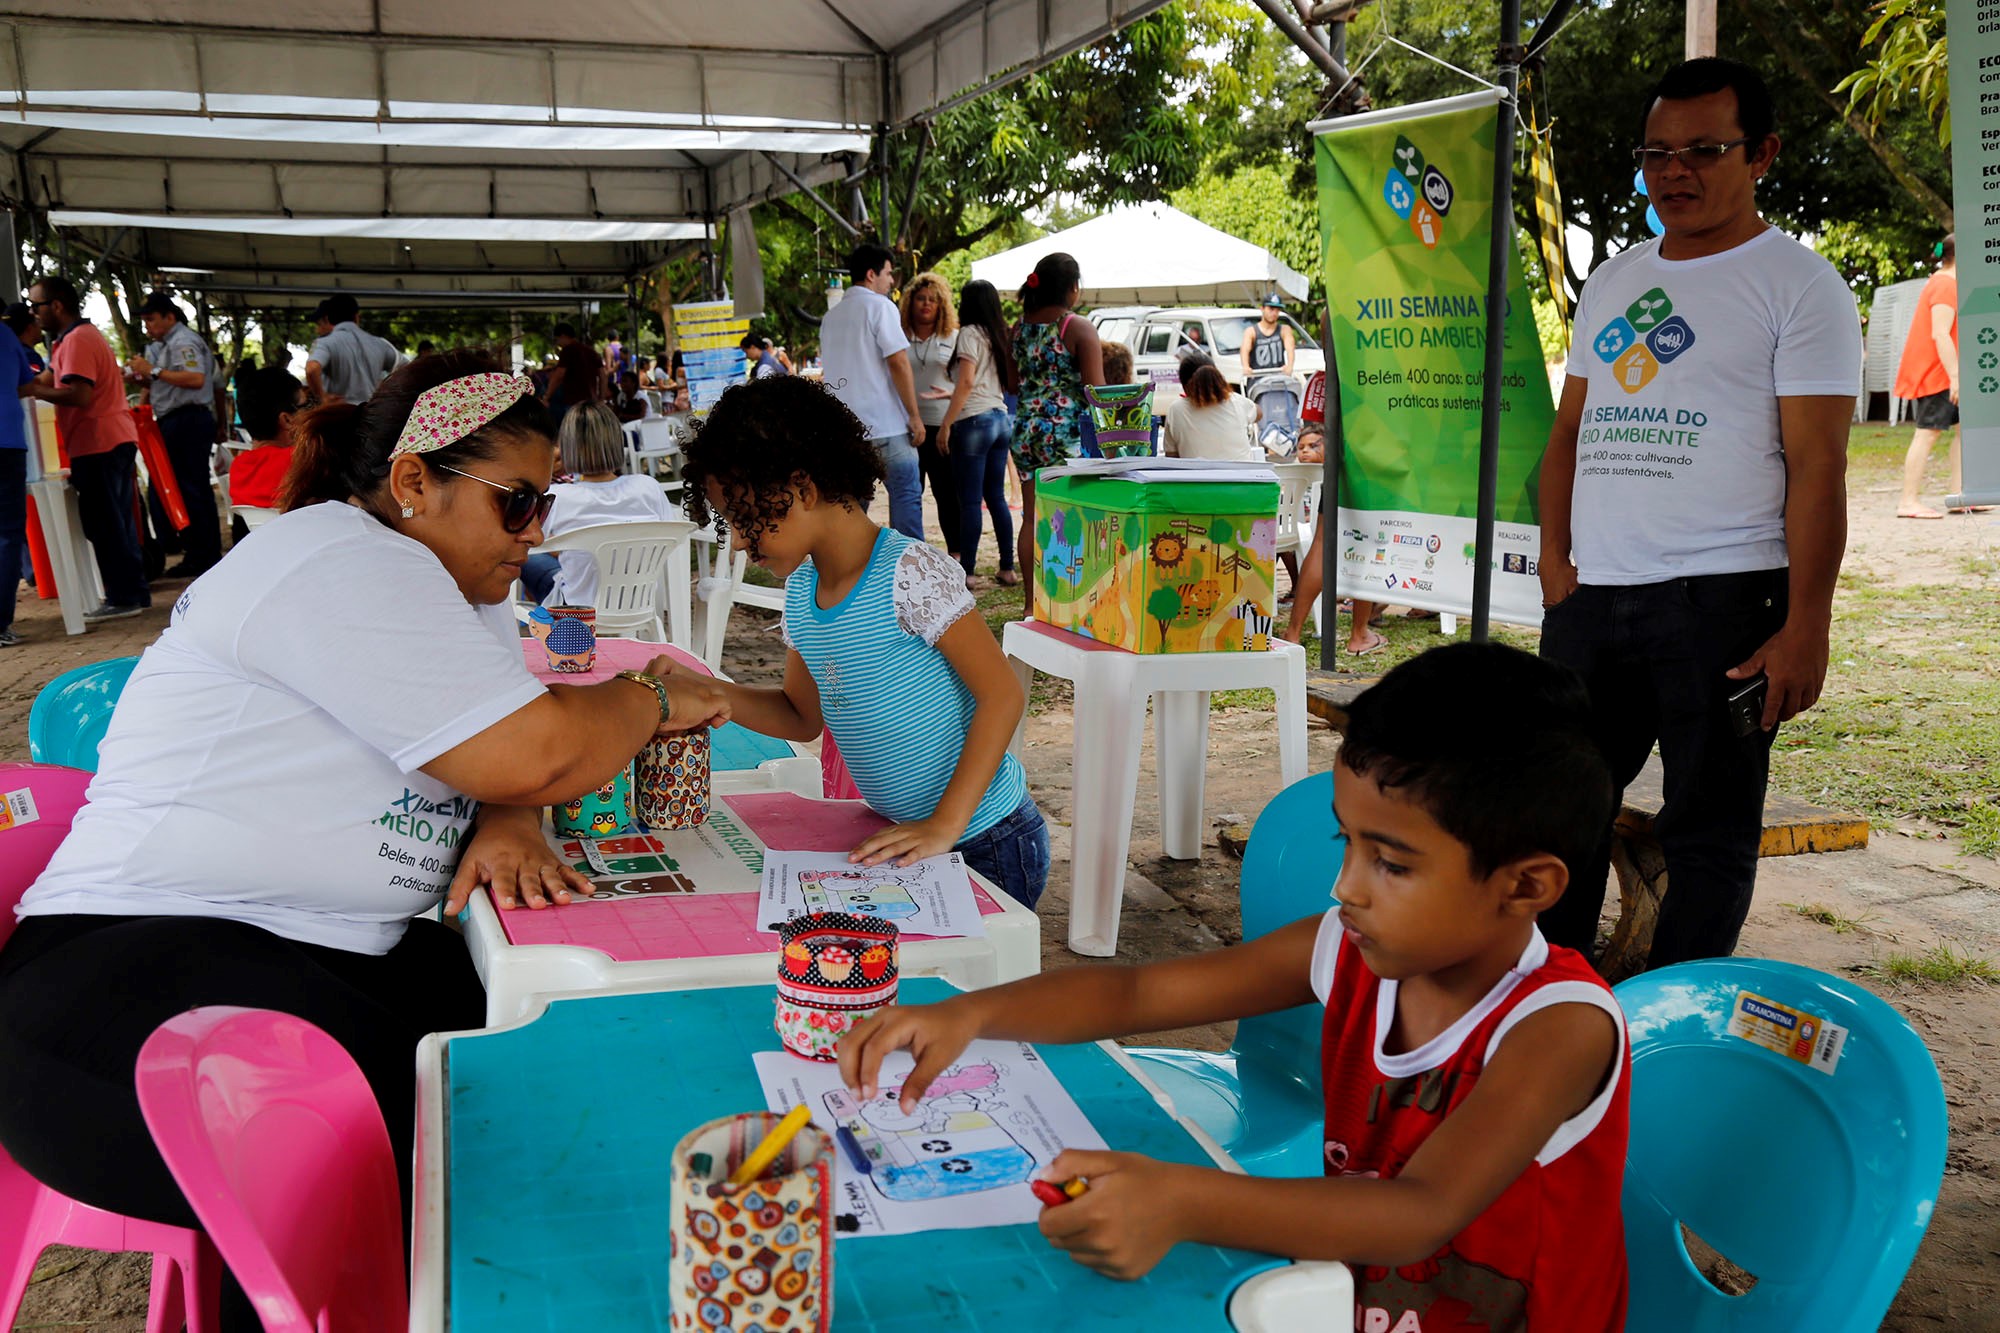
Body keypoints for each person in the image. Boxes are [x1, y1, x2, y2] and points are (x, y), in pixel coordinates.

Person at [0, 352, 730, 1333]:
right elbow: (540, 747)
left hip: (291, 953)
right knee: (456, 1151)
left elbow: (500, 745)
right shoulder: (343, 559)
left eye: (544, 506)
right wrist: (645, 694)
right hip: (125, 986)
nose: (536, 534)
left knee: (544, 1056)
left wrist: (509, 809)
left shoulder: (442, 582)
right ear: (414, 481)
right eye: (516, 503)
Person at [841, 643, 1628, 1324]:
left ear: (1526, 886)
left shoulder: (1559, 1024)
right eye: (1345, 843)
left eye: (1391, 863)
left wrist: (1183, 1201)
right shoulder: (1347, 948)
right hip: (1345, 1300)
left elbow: (1420, 1212)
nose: (1346, 886)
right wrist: (971, 1012)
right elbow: (1139, 995)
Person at [1537, 57, 1859, 967]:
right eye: (1656, 153)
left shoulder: (1800, 286)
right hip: (1591, 598)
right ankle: (1545, 1003)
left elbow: (1820, 468)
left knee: (1708, 832)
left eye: (1703, 150)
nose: (1674, 171)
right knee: (1557, 812)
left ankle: (1675, 1023)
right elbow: (1567, 435)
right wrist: (1558, 562)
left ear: (1762, 154)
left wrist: (1808, 625)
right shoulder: (1612, 280)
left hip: (1722, 601)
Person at [684, 375, 1049, 910]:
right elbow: (799, 715)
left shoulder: (909, 572)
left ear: (803, 489)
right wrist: (715, 694)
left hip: (987, 836)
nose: (738, 540)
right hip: (911, 837)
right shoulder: (803, 590)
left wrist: (945, 825)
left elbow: (1002, 695)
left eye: (745, 517)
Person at [22, 275, 150, 620]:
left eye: (37, 306)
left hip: (100, 442)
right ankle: (131, 592)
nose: (34, 313)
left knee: (107, 523)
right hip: (102, 441)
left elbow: (79, 394)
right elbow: (46, 379)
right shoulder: (68, 341)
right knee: (113, 521)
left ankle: (125, 597)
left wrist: (32, 392)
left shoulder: (78, 339)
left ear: (57, 305)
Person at [1012, 252, 1105, 615]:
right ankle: (1068, 602)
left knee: (1031, 516)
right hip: (1065, 433)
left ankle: (1031, 604)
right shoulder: (1076, 328)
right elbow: (1096, 390)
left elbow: (1011, 382)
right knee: (1071, 516)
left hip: (1025, 430)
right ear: (1072, 288)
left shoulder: (1018, 329)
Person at [522, 401, 681, 606]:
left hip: (578, 607)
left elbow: (526, 540)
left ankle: (542, 620)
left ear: (566, 447)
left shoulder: (556, 497)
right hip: (638, 602)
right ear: (616, 441)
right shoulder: (648, 487)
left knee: (527, 558)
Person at [820, 243, 926, 541]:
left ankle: (850, 573)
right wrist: (914, 416)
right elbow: (898, 362)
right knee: (906, 501)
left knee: (850, 511)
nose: (891, 281)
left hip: (846, 431)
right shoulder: (881, 307)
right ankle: (911, 573)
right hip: (887, 425)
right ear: (871, 274)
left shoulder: (831, 317)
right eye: (889, 274)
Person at [129, 292, 222, 578]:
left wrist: (154, 371)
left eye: (151, 319)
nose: (147, 326)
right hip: (180, 419)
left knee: (192, 489)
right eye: (144, 321)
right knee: (186, 488)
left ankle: (203, 556)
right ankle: (199, 553)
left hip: (187, 419)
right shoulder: (168, 344)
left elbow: (196, 380)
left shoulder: (184, 341)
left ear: (170, 316)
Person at [936, 279, 1020, 588]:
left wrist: (946, 424)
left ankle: (968, 572)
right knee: (996, 497)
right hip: (1000, 419)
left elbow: (968, 382)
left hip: (973, 423)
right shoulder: (999, 336)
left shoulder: (969, 334)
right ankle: (1007, 568)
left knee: (969, 501)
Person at [1892, 235, 1982, 518]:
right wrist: (1955, 377)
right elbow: (1940, 333)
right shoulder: (1945, 285)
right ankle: (1908, 501)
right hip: (1938, 373)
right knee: (1927, 433)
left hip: (1947, 372)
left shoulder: (1945, 282)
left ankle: (1960, 496)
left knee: (1962, 431)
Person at [902, 271, 964, 566]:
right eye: (921, 299)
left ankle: (957, 551)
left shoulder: (953, 337)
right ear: (910, 302)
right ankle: (910, 554)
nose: (926, 304)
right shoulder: (899, 337)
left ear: (942, 306)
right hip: (907, 427)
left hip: (942, 425)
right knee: (910, 494)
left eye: (933, 300)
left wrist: (950, 419)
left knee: (946, 493)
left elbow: (966, 383)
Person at [0, 293, 41, 647]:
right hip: (8, 441)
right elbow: (26, 385)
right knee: (7, 534)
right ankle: (1, 623)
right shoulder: (7, 338)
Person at [225, 365, 305, 529]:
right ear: (287, 420)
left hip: (258, 549)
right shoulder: (302, 461)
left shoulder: (238, 467)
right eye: (306, 406)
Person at [305, 295, 401, 405]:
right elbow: (406, 368)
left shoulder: (325, 343)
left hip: (339, 414)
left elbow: (312, 368)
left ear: (329, 318)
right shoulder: (380, 343)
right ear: (357, 317)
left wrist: (322, 397)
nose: (317, 329)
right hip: (369, 414)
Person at [1161, 356, 1259, 462]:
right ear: (1216, 378)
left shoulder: (1176, 409)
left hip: (1198, 478)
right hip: (1243, 476)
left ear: (1184, 386)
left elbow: (1172, 457)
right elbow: (1259, 413)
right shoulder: (1237, 401)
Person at [1240, 294, 1300, 448]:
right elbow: (1245, 350)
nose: (1274, 313)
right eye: (1271, 308)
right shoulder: (1252, 331)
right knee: (1261, 416)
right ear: (1262, 309)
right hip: (1258, 382)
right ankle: (1263, 443)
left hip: (1278, 382)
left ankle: (1285, 441)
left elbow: (1290, 347)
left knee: (1283, 414)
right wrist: (1246, 367)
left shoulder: (1284, 329)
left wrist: (1290, 365)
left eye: (1277, 310)